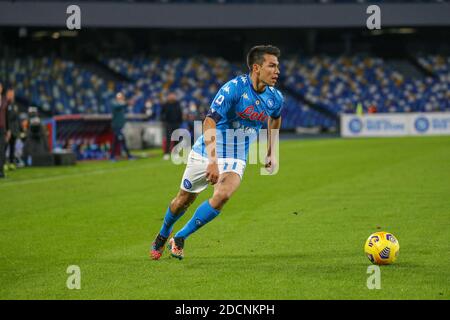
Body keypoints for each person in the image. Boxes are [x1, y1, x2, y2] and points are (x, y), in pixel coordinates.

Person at [150, 45, 283, 260]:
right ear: (257, 67)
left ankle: (181, 237)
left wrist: (271, 151)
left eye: (278, 66)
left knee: (223, 195)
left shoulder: (275, 97)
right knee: (183, 200)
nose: (277, 71)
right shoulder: (233, 89)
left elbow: (275, 118)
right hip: (207, 150)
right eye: (272, 66)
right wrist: (213, 161)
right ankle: (164, 233)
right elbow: (210, 120)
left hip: (236, 155)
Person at [110, 92, 133, 161]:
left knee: (116, 141)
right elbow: (118, 106)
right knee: (121, 140)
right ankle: (128, 155)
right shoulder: (114, 102)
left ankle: (113, 156)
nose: (122, 98)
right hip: (117, 126)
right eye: (121, 97)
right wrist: (127, 103)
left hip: (120, 126)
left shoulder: (120, 104)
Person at [160, 92, 183, 160]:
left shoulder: (177, 104)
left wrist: (180, 121)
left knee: (176, 138)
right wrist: (164, 121)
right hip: (168, 123)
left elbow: (180, 113)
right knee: (168, 139)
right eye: (170, 96)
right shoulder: (165, 104)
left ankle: (175, 153)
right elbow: (162, 113)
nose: (172, 97)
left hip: (176, 123)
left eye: (173, 96)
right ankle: (166, 153)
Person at [6, 88, 21, 169]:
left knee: (12, 146)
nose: (11, 96)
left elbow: (17, 118)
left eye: (12, 94)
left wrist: (19, 129)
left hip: (14, 129)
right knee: (4, 147)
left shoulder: (14, 104)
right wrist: (7, 129)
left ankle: (11, 162)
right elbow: (7, 118)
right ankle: (3, 163)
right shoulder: (5, 104)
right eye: (10, 94)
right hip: (7, 129)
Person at [0, 82, 7, 178]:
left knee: (1, 150)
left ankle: (1, 172)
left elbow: (6, 116)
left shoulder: (4, 99)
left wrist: (8, 129)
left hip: (2, 128)